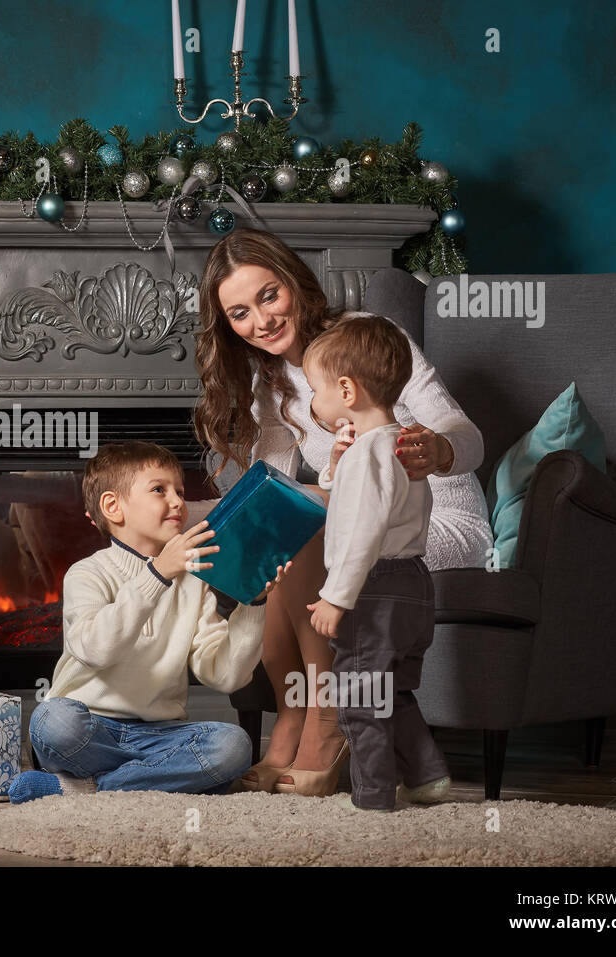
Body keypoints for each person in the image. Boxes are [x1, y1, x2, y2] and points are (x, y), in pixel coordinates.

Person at [191, 228, 492, 796]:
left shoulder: (368, 337)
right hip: (361, 516)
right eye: (239, 312)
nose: (261, 320)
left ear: (294, 283)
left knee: (304, 530)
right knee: (283, 528)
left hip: (432, 525)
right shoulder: (268, 379)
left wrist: (440, 449)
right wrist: (189, 515)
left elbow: (467, 434)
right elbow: (273, 489)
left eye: (269, 295)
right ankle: (293, 720)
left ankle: (327, 724)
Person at [8, 440, 291, 804]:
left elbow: (225, 675)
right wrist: (157, 575)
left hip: (161, 735)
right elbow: (95, 649)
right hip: (90, 730)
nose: (178, 502)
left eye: (180, 491)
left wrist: (254, 602)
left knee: (232, 745)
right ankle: (160, 779)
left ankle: (87, 788)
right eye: (160, 490)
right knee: (53, 721)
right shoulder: (88, 573)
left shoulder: (194, 583)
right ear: (113, 507)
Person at [303, 314, 452, 811]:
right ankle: (427, 777)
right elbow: (367, 503)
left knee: (361, 698)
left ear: (346, 390)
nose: (313, 402)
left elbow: (361, 533)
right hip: (414, 584)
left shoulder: (370, 456)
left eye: (316, 391)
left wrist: (335, 596)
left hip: (374, 586)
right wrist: (336, 466)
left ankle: (372, 799)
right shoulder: (401, 447)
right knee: (395, 692)